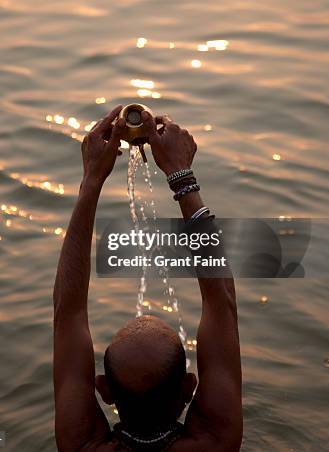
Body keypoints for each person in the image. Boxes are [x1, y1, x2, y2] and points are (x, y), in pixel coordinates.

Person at [53, 105, 242, 451]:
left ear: (103, 390)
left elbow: (68, 312)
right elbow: (222, 301)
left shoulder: (80, 444)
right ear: (189, 389)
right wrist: (181, 174)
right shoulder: (216, 442)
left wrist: (92, 180)